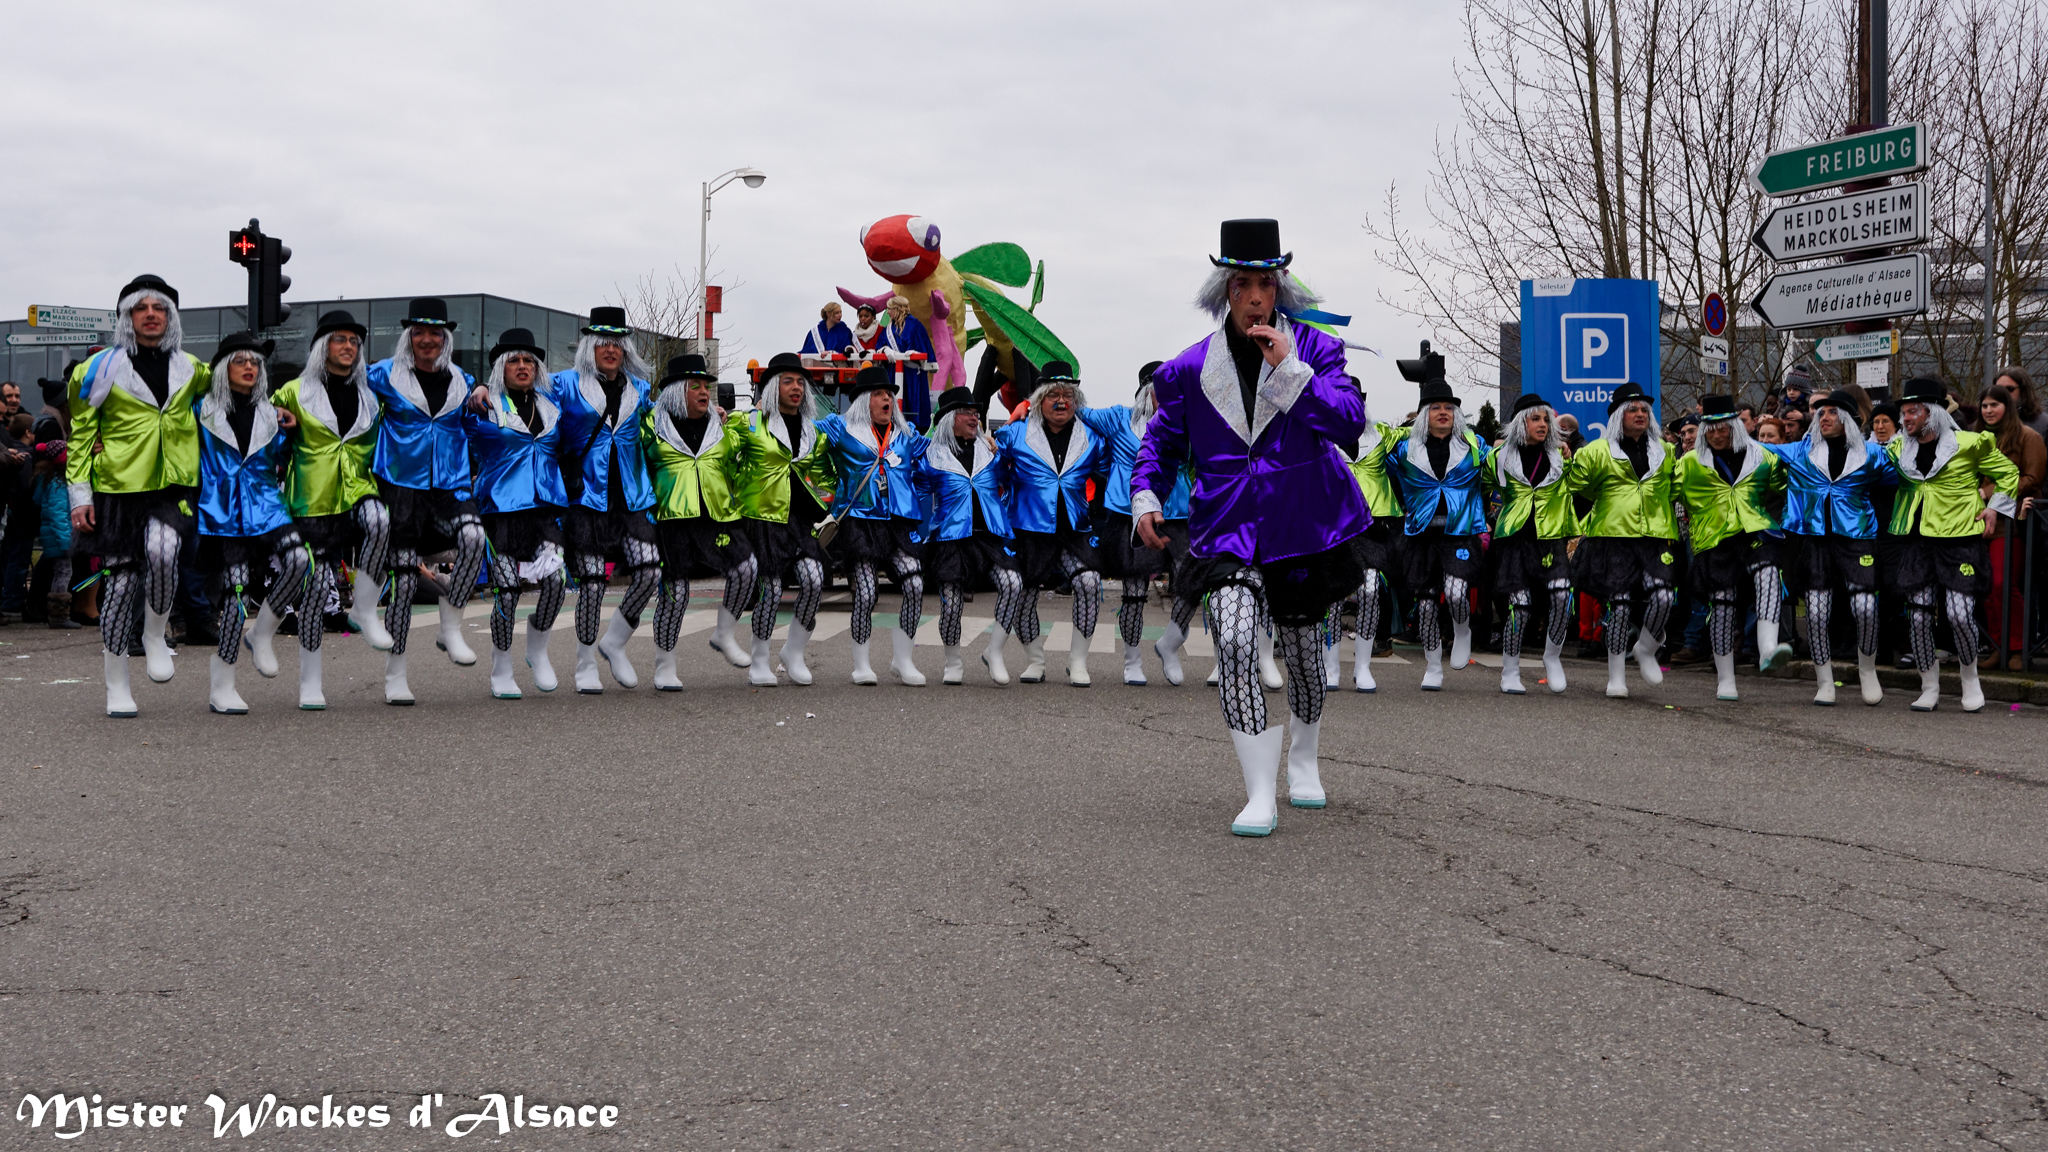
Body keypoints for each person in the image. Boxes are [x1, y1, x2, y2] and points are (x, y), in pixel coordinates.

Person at [1133, 219, 1368, 837]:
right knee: (1235, 642)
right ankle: (1257, 789)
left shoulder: (1316, 350)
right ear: (1226, 291)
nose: (1255, 296)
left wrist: (1291, 371)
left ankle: (1305, 756)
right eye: (1243, 284)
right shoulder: (1186, 369)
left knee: (1300, 656)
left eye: (1266, 283)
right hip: (1229, 523)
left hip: (1302, 524)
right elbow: (1159, 442)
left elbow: (1349, 425)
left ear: (1280, 288)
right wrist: (1146, 495)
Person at [68, 275, 210, 717]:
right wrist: (79, 495)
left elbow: (232, 398)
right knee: (122, 583)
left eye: (160, 308)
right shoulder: (96, 369)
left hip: (173, 484)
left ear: (171, 317)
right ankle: (116, 685)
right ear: (126, 317)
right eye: (141, 308)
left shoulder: (193, 368)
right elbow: (80, 434)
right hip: (118, 489)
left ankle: (154, 632)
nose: (151, 314)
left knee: (165, 552)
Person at [364, 298, 488, 704]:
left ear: (445, 338)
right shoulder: (382, 375)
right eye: (420, 332)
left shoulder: (462, 380)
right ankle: (395, 674)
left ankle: (450, 627)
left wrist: (486, 387)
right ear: (409, 337)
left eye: (436, 333)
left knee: (474, 540)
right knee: (401, 581)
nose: (428, 339)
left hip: (450, 487)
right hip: (401, 489)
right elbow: (336, 393)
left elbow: (486, 409)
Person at [272, 309, 392, 709]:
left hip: (358, 487)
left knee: (379, 520)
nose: (349, 347)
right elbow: (265, 442)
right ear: (322, 347)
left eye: (355, 342)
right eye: (340, 340)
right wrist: (276, 425)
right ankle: (310, 681)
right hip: (313, 497)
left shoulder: (371, 394)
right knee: (317, 588)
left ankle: (364, 608)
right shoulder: (292, 392)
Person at [191, 332, 310, 715]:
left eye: (256, 363)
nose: (250, 367)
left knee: (299, 561)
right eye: (241, 361)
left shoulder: (273, 414)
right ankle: (222, 682)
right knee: (236, 594)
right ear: (222, 368)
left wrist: (292, 430)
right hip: (221, 511)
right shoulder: (198, 409)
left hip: (266, 506)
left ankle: (262, 632)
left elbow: (285, 455)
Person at [546, 306, 661, 694]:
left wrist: (714, 413)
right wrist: (484, 390)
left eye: (617, 342)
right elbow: (520, 396)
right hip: (586, 497)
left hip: (630, 497)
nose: (610, 349)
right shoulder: (563, 384)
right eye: (603, 342)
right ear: (590, 346)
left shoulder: (640, 389)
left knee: (650, 570)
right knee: (593, 583)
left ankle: (614, 642)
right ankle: (584, 664)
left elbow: (658, 424)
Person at [1888, 377, 2020, 711]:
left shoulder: (1969, 444)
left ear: (1931, 412)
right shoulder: (1898, 447)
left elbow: (2009, 474)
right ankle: (1928, 685)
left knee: (1959, 615)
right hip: (1917, 540)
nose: (1905, 419)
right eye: (1902, 412)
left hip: (1959, 538)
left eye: (1912, 412)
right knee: (1917, 618)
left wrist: (1994, 508)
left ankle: (1969, 677)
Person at [1763, 391, 1896, 705]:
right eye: (1820, 413)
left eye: (1832, 413)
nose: (1824, 418)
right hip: (1814, 539)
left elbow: (1912, 475)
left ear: (1848, 419)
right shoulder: (1800, 452)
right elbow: (1756, 452)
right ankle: (1824, 680)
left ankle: (1867, 670)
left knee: (1865, 608)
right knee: (1817, 613)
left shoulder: (1872, 455)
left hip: (1857, 537)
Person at [463, 328, 569, 700]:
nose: (522, 366)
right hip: (501, 512)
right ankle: (501, 664)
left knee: (556, 583)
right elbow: (452, 416)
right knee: (506, 591)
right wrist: (475, 387)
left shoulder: (551, 404)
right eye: (513, 360)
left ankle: (537, 648)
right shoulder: (484, 405)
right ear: (500, 368)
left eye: (528, 360)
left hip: (544, 511)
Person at [644, 353, 756, 690]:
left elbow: (740, 462)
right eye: (696, 387)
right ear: (678, 391)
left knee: (747, 568)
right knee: (676, 592)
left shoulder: (722, 427)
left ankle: (724, 632)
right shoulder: (650, 425)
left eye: (707, 386)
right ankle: (664, 665)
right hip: (673, 518)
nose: (705, 392)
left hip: (718, 515)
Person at [726, 352, 837, 686]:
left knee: (814, 580)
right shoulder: (748, 423)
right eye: (788, 381)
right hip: (761, 520)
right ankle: (760, 659)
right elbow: (723, 456)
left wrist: (821, 500)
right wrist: (736, 495)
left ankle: (794, 652)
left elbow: (826, 478)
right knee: (770, 590)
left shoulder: (813, 434)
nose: (796, 388)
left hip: (799, 524)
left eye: (800, 383)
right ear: (773, 387)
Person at [1081, 360, 1194, 685]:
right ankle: (1132, 660)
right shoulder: (1119, 418)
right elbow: (1078, 410)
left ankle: (1170, 643)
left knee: (1192, 582)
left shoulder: (1189, 423)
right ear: (1147, 393)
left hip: (1178, 515)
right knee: (1134, 590)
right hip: (1131, 514)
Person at [996, 361, 1108, 686]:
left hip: (1074, 531)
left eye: (1068, 395)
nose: (1061, 401)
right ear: (1039, 399)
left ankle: (1078, 662)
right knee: (1025, 594)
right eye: (1054, 395)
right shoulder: (1014, 434)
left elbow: (1107, 476)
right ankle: (1034, 659)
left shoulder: (1092, 438)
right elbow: (994, 475)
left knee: (1088, 584)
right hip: (1028, 530)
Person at [817, 363, 930, 686]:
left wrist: (906, 495)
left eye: (890, 395)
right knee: (866, 593)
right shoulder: (841, 428)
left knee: (915, 585)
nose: (887, 400)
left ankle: (903, 661)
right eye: (879, 394)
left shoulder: (907, 437)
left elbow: (928, 469)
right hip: (859, 522)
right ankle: (862, 664)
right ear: (864, 400)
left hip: (897, 524)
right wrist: (838, 488)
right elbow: (809, 444)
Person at [1564, 382, 1678, 698]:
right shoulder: (1596, 452)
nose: (1640, 414)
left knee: (1664, 597)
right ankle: (1616, 676)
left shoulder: (1666, 451)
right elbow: (1578, 491)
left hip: (1655, 535)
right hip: (1612, 535)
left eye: (1644, 409)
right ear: (1617, 415)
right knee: (1621, 605)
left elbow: (1678, 490)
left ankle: (1645, 647)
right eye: (1633, 409)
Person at [1674, 395, 1790, 701]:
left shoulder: (1763, 456)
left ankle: (1767, 649)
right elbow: (1665, 496)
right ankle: (1726, 678)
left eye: (1722, 427)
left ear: (1735, 427)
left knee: (1768, 575)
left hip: (1757, 533)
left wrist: (1783, 524)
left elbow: (1788, 490)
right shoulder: (1688, 464)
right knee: (1723, 604)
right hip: (1715, 540)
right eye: (1710, 428)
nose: (1716, 433)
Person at [916, 386, 1027, 684]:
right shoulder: (931, 455)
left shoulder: (992, 452)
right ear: (950, 418)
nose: (974, 417)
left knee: (1012, 584)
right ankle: (952, 661)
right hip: (950, 540)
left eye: (976, 413)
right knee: (951, 604)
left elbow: (1015, 477)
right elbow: (914, 492)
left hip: (989, 538)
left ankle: (995, 652)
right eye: (967, 412)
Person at [1390, 370, 1489, 690]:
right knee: (1428, 603)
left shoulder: (1474, 445)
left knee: (1457, 591)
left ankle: (1462, 630)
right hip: (1420, 535)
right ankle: (1433, 666)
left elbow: (1505, 459)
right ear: (1423, 415)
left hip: (1460, 533)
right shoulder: (1404, 449)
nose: (1443, 411)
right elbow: (1375, 469)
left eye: (1449, 406)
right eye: (1435, 407)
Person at [1485, 393, 1576, 695]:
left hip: (1550, 539)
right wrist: (1485, 519)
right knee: (1519, 607)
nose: (1542, 424)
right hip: (1513, 540)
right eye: (1535, 419)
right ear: (1519, 424)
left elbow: (1578, 488)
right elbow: (1482, 487)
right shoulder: (1498, 457)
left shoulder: (1562, 456)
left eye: (1546, 419)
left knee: (1563, 597)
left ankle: (1552, 657)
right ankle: (1510, 670)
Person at [1337, 376, 1404, 693]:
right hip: (1331, 524)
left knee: (1370, 589)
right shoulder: (1315, 436)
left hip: (1373, 525)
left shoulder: (1381, 434)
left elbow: (1420, 437)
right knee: (1332, 598)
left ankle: (1362, 665)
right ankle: (1329, 665)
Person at [1974, 382, 2044, 669]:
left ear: (2009, 407)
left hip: (2013, 522)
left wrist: (1989, 493)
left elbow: (2032, 478)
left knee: (2004, 584)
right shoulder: (1976, 439)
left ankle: (2018, 648)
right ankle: (1997, 646)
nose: (1989, 410)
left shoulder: (2029, 437)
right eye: (1985, 405)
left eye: (1995, 404)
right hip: (1978, 522)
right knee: (1988, 587)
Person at [874, 295, 937, 430]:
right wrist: (885, 349)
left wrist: (913, 354)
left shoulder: (914, 325)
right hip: (892, 372)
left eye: (889, 309)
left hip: (912, 374)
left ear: (897, 309)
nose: (888, 312)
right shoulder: (889, 328)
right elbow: (879, 346)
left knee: (912, 408)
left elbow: (923, 349)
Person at [1994, 366, 2048, 439]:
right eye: (1999, 389)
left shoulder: (2043, 424)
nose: (2004, 393)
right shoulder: (1986, 423)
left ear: (2023, 391)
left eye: (2010, 389)